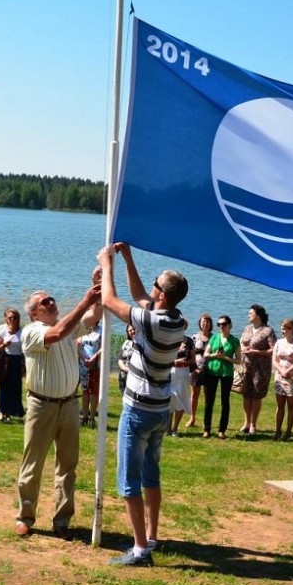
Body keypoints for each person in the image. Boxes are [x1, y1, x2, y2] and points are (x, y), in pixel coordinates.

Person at [97, 242, 187, 567]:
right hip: (160, 410)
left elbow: (109, 300)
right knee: (152, 475)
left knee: (128, 481)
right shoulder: (177, 321)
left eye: (155, 284)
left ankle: (139, 551)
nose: (150, 288)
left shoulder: (153, 322)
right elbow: (139, 296)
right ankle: (150, 536)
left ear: (162, 294)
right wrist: (128, 257)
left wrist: (107, 263)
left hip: (138, 412)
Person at [15, 281, 101, 540]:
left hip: (70, 404)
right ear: (34, 313)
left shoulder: (64, 325)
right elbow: (58, 333)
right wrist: (84, 301)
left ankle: (62, 520)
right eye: (45, 302)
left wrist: (98, 284)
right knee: (32, 465)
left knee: (68, 465)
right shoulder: (32, 331)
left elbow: (93, 316)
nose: (51, 302)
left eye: (51, 299)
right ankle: (25, 517)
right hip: (42, 406)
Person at [239, 304, 277, 435]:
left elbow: (274, 349)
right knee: (246, 394)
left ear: (258, 315)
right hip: (246, 366)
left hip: (261, 368)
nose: (248, 315)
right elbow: (241, 341)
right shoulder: (247, 328)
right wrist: (243, 348)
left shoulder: (268, 331)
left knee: (256, 395)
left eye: (251, 313)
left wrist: (257, 352)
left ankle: (253, 424)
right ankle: (246, 422)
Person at [202, 315, 242, 440]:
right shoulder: (214, 338)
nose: (221, 326)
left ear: (230, 325)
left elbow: (239, 360)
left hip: (227, 374)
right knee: (209, 401)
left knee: (225, 401)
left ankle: (221, 430)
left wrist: (225, 357)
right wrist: (216, 355)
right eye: (219, 324)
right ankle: (206, 429)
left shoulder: (234, 341)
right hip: (212, 371)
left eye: (224, 324)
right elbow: (206, 354)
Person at [271, 318, 293, 441]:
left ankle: (288, 431)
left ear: (292, 329)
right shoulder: (278, 342)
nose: (283, 331)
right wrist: (281, 370)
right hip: (280, 377)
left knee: (291, 405)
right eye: (282, 329)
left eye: (286, 328)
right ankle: (277, 430)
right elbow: (274, 360)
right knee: (280, 406)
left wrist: (288, 371)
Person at [0, 307, 25, 423]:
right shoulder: (2, 329)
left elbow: (24, 349)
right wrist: (4, 345)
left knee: (15, 388)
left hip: (17, 361)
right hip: (5, 360)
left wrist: (23, 365)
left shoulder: (22, 331)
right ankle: (2, 413)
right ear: (6, 318)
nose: (13, 319)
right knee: (3, 388)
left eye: (15, 317)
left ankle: (12, 412)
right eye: (10, 317)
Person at [185, 313, 212, 428]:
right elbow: (189, 355)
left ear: (210, 324)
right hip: (196, 370)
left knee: (208, 396)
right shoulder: (194, 338)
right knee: (194, 394)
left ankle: (207, 420)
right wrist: (194, 369)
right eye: (203, 322)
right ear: (200, 324)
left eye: (207, 322)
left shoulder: (214, 338)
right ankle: (192, 418)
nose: (205, 324)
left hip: (210, 370)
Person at [168, 320, 195, 436]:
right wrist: (175, 361)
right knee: (170, 399)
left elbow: (192, 360)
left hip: (183, 372)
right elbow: (164, 356)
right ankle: (167, 429)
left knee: (181, 398)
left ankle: (175, 428)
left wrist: (183, 361)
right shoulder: (168, 339)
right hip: (170, 372)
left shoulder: (189, 341)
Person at [78, 321, 102, 427]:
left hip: (95, 364)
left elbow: (103, 347)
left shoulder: (101, 331)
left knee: (94, 392)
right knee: (85, 390)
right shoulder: (82, 330)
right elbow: (78, 346)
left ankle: (92, 418)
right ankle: (85, 416)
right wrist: (84, 359)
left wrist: (93, 358)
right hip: (83, 364)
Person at [117, 324, 135, 395]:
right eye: (130, 330)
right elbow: (120, 359)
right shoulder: (126, 343)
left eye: (134, 329)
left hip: (135, 376)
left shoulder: (142, 343)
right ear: (127, 333)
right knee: (124, 398)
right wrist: (125, 368)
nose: (132, 331)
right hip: (123, 375)